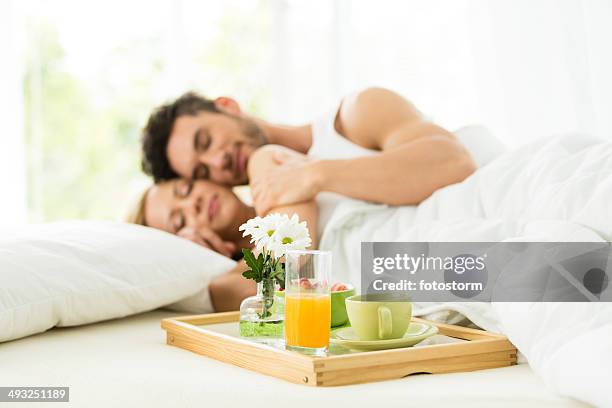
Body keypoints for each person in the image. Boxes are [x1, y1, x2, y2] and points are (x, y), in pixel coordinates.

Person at [140, 87, 477, 248]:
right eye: (201, 172)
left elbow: (454, 162)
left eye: (205, 141)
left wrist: (316, 175)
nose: (218, 161)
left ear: (227, 106)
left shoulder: (356, 115)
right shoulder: (270, 208)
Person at [128, 146, 318, 311]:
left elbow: (292, 246)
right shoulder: (224, 286)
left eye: (186, 189)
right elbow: (256, 290)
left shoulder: (265, 163)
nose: (193, 204)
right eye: (180, 221)